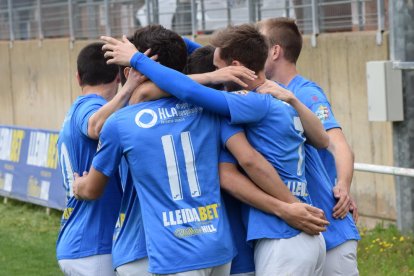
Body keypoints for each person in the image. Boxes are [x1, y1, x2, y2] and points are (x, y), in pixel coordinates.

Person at [74, 25, 323, 276]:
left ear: (234, 66)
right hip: (221, 249)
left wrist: (289, 207)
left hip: (194, 248)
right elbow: (324, 141)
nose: (213, 72)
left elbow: (246, 159)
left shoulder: (236, 104)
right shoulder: (256, 103)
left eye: (217, 68)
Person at [257, 17, 360, 275]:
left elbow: (340, 146)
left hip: (331, 227)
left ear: (275, 51)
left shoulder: (304, 94)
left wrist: (343, 186)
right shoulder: (267, 93)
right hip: (309, 231)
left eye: (259, 45)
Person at [56, 42, 144, 275]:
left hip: (82, 240)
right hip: (94, 243)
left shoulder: (74, 109)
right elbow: (95, 126)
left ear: (78, 77)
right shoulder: (91, 105)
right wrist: (128, 89)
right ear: (119, 76)